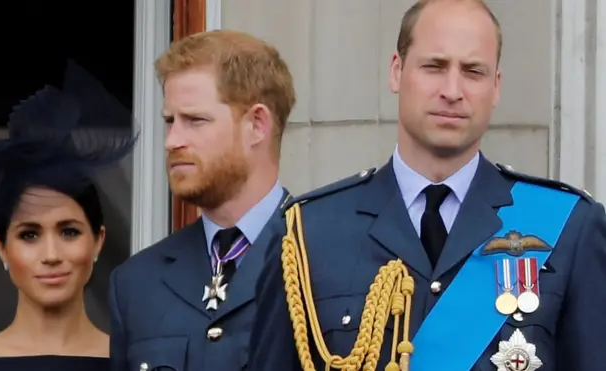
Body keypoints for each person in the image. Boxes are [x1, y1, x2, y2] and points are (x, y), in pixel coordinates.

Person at [249, 0, 606, 370]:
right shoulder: (307, 235)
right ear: (396, 71)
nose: (452, 90)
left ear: (496, 86)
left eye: (473, 71)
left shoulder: (568, 230)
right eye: (434, 66)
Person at [108, 29, 296, 371]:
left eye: (195, 120)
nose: (172, 140)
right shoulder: (137, 283)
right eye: (169, 121)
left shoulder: (326, 257)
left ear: (257, 124)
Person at [0, 61, 137, 371]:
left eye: (69, 232)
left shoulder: (136, 364)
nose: (51, 255)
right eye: (29, 235)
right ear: (1, 248)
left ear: (98, 240)